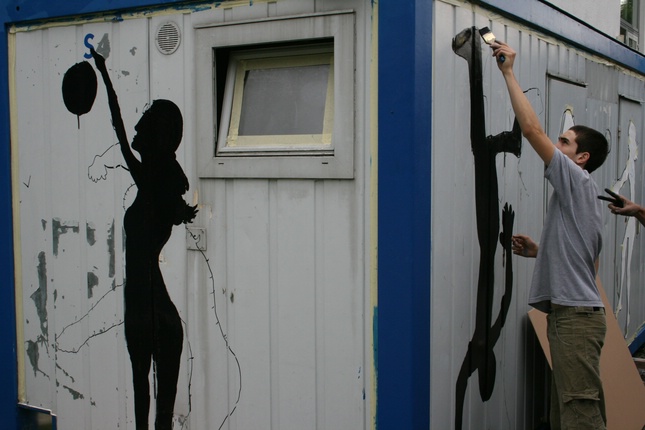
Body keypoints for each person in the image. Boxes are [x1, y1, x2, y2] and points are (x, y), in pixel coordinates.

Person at [491, 41, 609, 429]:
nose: (556, 146)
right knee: (568, 414)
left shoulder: (575, 179)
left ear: (581, 158)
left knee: (579, 415)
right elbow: (588, 264)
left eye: (565, 142)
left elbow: (530, 130)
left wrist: (508, 72)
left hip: (574, 319)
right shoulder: (583, 196)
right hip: (573, 317)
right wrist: (540, 251)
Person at [90, 49, 198, 430]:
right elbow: (121, 125)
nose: (136, 128)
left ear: (155, 136)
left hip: (142, 309)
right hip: (161, 312)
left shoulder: (150, 183)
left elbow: (119, 127)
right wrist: (104, 72)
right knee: (160, 418)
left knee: (143, 405)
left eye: (144, 124)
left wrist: (104, 73)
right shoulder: (157, 186)